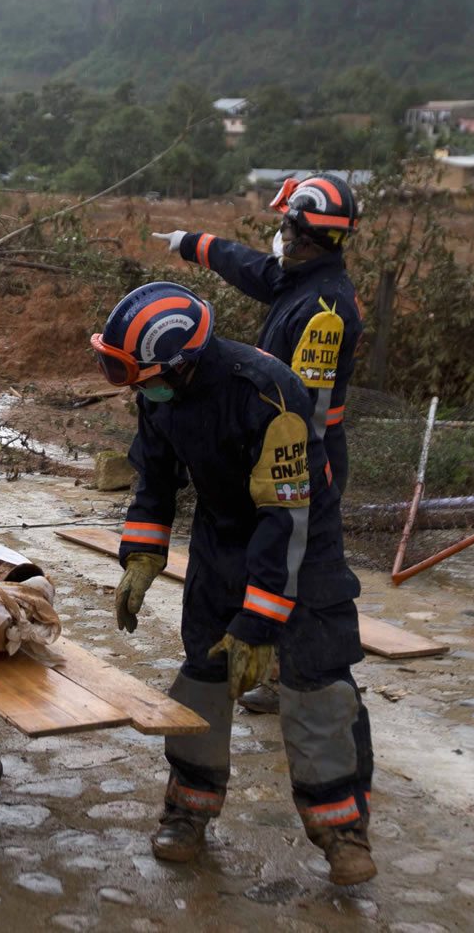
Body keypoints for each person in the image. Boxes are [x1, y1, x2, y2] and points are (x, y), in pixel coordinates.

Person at [93, 281, 374, 885]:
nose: (136, 387)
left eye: (139, 374)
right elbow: (156, 477)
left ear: (180, 363)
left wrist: (259, 622)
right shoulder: (160, 390)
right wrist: (142, 556)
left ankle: (342, 832)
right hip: (222, 538)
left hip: (302, 540)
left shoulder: (269, 396)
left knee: (315, 684)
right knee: (202, 678)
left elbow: (286, 520)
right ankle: (188, 811)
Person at [154, 173, 363, 715]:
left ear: (304, 234)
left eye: (286, 225)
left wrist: (282, 468)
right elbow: (253, 268)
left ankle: (296, 676)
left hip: (301, 450)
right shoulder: (298, 280)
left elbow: (305, 414)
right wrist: (195, 246)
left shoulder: (325, 312)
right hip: (270, 445)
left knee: (294, 557)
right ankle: (275, 664)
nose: (280, 235)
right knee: (267, 551)